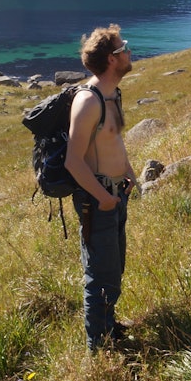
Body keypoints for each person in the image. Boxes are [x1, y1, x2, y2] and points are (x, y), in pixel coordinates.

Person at [64, 24, 137, 351]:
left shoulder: (113, 93)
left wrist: (129, 173)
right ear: (112, 59)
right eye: (125, 47)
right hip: (98, 201)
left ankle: (108, 327)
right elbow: (73, 162)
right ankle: (100, 350)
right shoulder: (88, 101)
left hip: (115, 193)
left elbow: (114, 139)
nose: (129, 51)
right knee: (99, 277)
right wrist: (104, 198)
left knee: (113, 268)